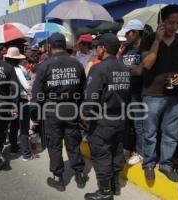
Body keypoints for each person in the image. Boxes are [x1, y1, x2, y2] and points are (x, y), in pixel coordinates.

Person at [31, 32, 87, 192]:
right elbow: (83, 91)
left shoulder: (44, 65)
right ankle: (79, 175)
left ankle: (59, 179)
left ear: (50, 46)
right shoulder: (76, 64)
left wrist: (35, 113)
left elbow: (37, 93)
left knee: (54, 145)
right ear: (64, 45)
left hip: (52, 110)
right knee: (73, 142)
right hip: (71, 109)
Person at [82, 33, 131, 200]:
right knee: (116, 150)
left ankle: (104, 192)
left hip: (102, 119)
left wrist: (85, 116)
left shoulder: (99, 68)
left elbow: (91, 96)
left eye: (97, 47)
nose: (96, 49)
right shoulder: (124, 68)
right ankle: (114, 186)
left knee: (101, 153)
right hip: (121, 118)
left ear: (103, 48)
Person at [140, 4, 178, 182]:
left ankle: (166, 164)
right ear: (161, 22)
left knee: (171, 133)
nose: (174, 26)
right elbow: (147, 64)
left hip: (174, 95)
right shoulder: (149, 39)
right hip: (152, 94)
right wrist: (157, 41)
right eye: (170, 22)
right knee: (149, 132)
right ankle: (149, 164)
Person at [118, 19, 145, 165]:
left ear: (136, 33)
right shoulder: (126, 49)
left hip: (140, 92)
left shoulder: (145, 49)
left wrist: (133, 70)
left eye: (128, 33)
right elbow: (121, 67)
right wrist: (132, 69)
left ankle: (141, 152)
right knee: (126, 121)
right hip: (126, 91)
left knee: (139, 123)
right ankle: (127, 148)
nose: (127, 36)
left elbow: (143, 70)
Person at [4, 47, 37, 160]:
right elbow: (27, 86)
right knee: (23, 127)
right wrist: (32, 88)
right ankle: (26, 154)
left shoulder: (6, 69)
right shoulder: (18, 69)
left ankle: (14, 148)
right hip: (22, 100)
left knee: (13, 125)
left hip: (11, 101)